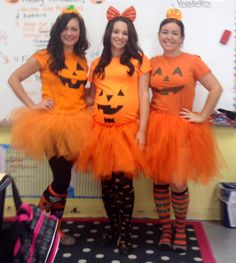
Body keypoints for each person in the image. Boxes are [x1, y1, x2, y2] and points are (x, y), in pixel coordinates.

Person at [8, 5, 91, 246]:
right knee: (62, 180)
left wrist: (96, 99)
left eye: (74, 29)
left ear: (80, 33)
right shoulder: (44, 56)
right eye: (65, 28)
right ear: (58, 31)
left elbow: (78, 92)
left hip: (78, 124)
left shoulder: (83, 60)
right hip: (53, 125)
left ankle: (48, 223)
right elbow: (14, 78)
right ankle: (45, 222)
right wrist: (33, 104)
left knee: (63, 180)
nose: (70, 33)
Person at [146, 8, 223, 253]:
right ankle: (165, 230)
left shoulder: (192, 61)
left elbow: (216, 88)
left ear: (181, 38)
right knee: (159, 180)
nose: (169, 37)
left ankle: (180, 229)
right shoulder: (152, 63)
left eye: (174, 33)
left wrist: (202, 115)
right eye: (165, 32)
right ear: (159, 35)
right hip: (156, 127)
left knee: (178, 182)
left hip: (181, 128)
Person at [77, 6, 151, 255]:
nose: (119, 36)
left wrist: (142, 130)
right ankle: (113, 227)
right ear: (109, 33)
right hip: (100, 130)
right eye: (116, 31)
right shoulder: (97, 63)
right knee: (107, 185)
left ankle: (125, 232)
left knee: (123, 185)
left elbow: (143, 95)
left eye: (124, 33)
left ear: (130, 36)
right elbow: (92, 96)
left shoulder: (139, 60)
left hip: (127, 130)